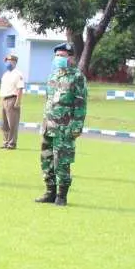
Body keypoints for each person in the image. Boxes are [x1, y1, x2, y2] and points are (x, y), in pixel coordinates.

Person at [34, 42, 87, 206]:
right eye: (57, 56)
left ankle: (61, 195)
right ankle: (50, 191)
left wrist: (77, 126)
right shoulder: (53, 76)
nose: (58, 59)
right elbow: (48, 100)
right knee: (46, 159)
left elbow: (80, 104)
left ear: (71, 57)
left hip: (65, 127)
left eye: (62, 56)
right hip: (48, 125)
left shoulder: (77, 77)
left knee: (62, 161)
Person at [0, 53, 25, 149]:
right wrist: (1, 101)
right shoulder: (5, 74)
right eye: (7, 61)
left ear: (14, 62)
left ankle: (12, 143)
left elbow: (20, 89)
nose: (8, 63)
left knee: (12, 123)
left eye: (10, 61)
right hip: (4, 99)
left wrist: (18, 101)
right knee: (4, 123)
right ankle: (5, 142)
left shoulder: (18, 74)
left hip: (12, 99)